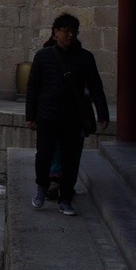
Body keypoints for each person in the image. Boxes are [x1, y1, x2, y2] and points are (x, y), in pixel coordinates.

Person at [25, 13, 109, 215]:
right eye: (66, 31)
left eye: (74, 31)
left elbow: (96, 86)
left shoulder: (85, 57)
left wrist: (102, 113)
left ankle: (66, 198)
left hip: (73, 117)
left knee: (71, 158)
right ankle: (42, 188)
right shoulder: (43, 56)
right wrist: (30, 116)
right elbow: (33, 88)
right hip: (47, 115)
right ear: (55, 32)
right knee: (44, 155)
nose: (70, 35)